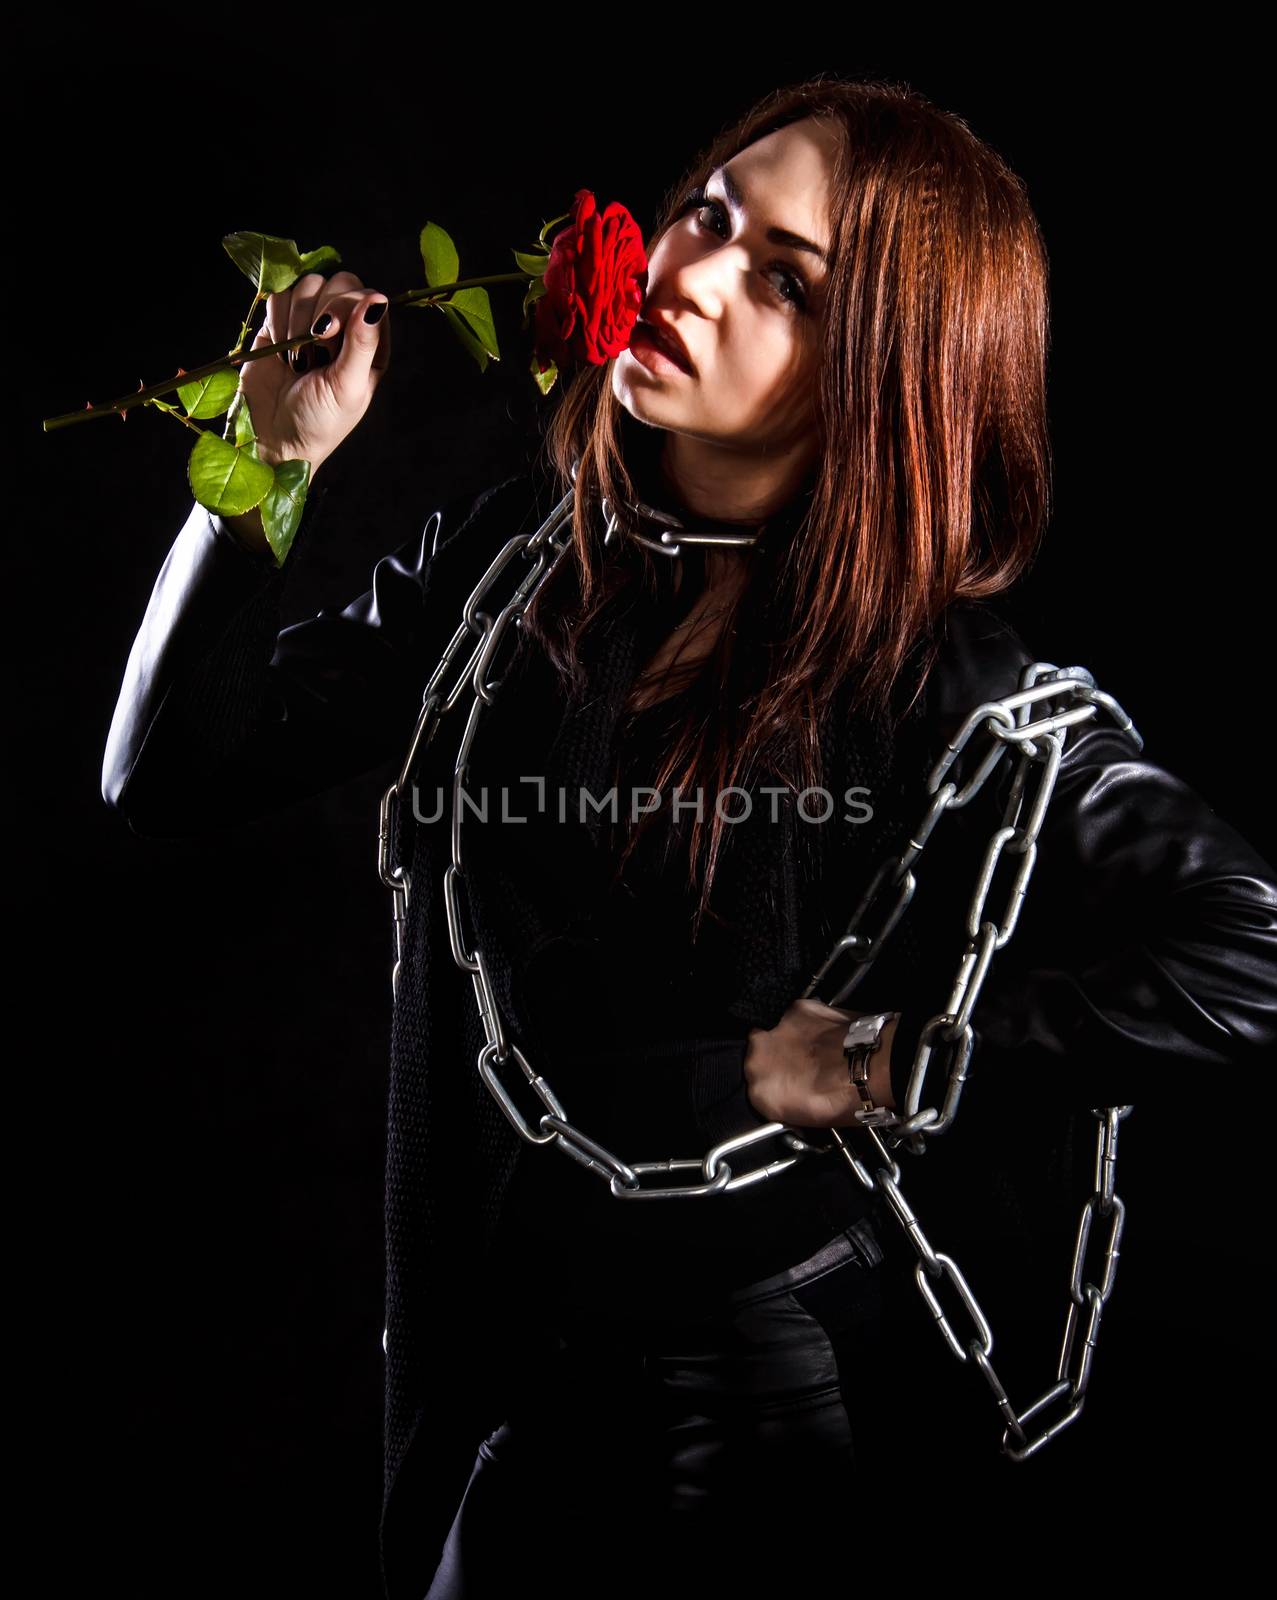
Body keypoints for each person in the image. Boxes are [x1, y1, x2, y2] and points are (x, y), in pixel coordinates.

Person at [101, 78, 1277, 1597]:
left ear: (888, 367)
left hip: (752, 1420)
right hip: (506, 1374)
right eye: (709, 217)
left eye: (786, 282)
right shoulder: (511, 570)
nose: (696, 278)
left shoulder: (936, 683)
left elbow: (1247, 945)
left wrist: (887, 1067)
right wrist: (271, 460)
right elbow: (174, 772)